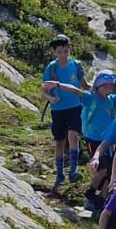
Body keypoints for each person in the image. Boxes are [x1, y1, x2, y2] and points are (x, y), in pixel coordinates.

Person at [42, 34, 88, 189]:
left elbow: (85, 84)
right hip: (58, 109)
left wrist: (99, 91)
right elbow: (44, 90)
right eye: (60, 51)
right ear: (55, 52)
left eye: (65, 50)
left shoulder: (76, 65)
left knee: (73, 135)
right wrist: (50, 98)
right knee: (60, 141)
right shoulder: (51, 67)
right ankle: (60, 174)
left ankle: (73, 171)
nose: (63, 54)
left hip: (75, 106)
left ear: (69, 49)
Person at [81, 71, 116, 211]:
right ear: (97, 86)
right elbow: (77, 92)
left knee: (110, 172)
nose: (108, 90)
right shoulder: (91, 98)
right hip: (93, 139)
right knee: (102, 169)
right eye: (105, 87)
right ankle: (91, 192)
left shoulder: (112, 100)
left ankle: (101, 200)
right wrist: (57, 85)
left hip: (108, 140)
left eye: (110, 87)